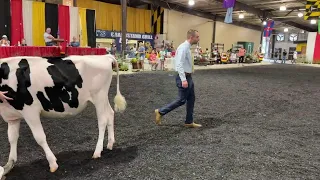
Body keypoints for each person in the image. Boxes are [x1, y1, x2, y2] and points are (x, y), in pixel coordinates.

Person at [154, 29, 202, 128]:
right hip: (183, 77)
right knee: (181, 100)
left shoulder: (187, 48)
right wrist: (183, 79)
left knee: (191, 99)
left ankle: (189, 121)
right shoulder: (183, 48)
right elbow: (179, 64)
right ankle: (160, 112)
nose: (198, 39)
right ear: (191, 37)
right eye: (197, 37)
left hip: (188, 76)